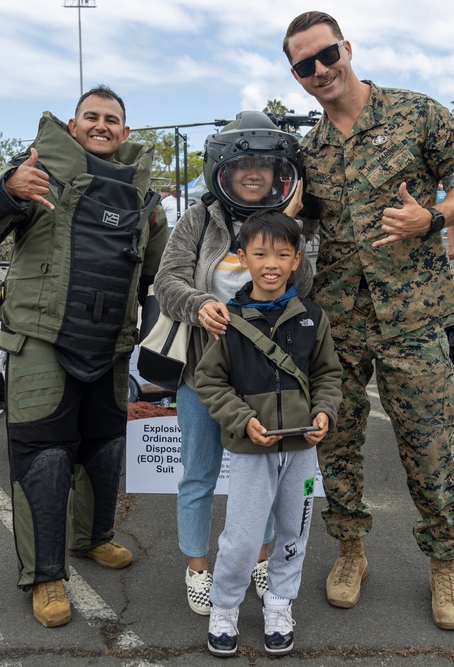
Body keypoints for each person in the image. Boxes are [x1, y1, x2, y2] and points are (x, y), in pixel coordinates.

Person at [283, 11, 454, 630]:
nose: (320, 71)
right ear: (296, 75)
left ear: (347, 48)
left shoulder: (417, 114)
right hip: (338, 322)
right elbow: (298, 226)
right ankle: (350, 551)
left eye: (326, 55)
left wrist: (434, 217)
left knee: (429, 445)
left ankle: (445, 564)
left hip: (415, 317)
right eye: (304, 65)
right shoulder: (309, 150)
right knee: (336, 442)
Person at [0, 85, 169, 629]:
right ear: (73, 126)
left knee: (102, 447)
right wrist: (8, 190)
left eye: (112, 119)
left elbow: (157, 275)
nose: (102, 125)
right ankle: (45, 575)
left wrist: (162, 348)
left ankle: (90, 539)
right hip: (40, 342)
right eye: (91, 117)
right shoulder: (33, 173)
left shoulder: (145, 197)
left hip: (113, 345)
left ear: (125, 130)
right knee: (44, 457)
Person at [155, 111, 313, 616]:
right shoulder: (199, 219)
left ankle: (262, 558)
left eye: (264, 166)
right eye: (242, 163)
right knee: (199, 474)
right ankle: (198, 566)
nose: (252, 173)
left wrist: (294, 226)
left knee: (264, 476)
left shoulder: (289, 224)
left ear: (278, 172)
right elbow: (167, 280)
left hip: (266, 378)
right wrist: (199, 304)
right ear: (222, 169)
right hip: (203, 372)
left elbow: (304, 288)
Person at [195, 210, 343, 657]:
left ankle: (279, 604)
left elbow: (329, 376)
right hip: (249, 451)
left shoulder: (313, 318)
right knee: (241, 539)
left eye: (282, 254)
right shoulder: (228, 321)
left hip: (302, 451)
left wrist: (324, 414)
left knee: (294, 534)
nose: (271, 263)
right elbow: (209, 382)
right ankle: (225, 608)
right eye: (260, 253)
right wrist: (242, 421)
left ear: (297, 259)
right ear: (243, 258)